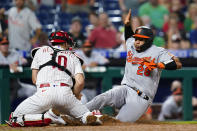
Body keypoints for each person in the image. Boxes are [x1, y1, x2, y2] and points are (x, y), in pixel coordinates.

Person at [85, 9, 182, 122]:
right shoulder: (132, 44)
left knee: (120, 123)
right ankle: (75, 115)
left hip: (141, 97)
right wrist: (127, 25)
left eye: (141, 39)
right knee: (100, 98)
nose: (137, 41)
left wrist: (158, 65)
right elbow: (129, 36)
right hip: (125, 88)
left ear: (149, 41)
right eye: (136, 38)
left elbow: (177, 64)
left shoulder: (158, 51)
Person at [5, 31, 104, 127]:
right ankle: (90, 116)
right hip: (66, 94)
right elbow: (80, 82)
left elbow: (34, 80)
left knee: (14, 118)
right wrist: (76, 94)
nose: (69, 46)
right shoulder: (73, 56)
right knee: (85, 116)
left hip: (44, 93)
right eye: (68, 44)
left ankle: (47, 116)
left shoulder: (39, 51)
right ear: (65, 43)